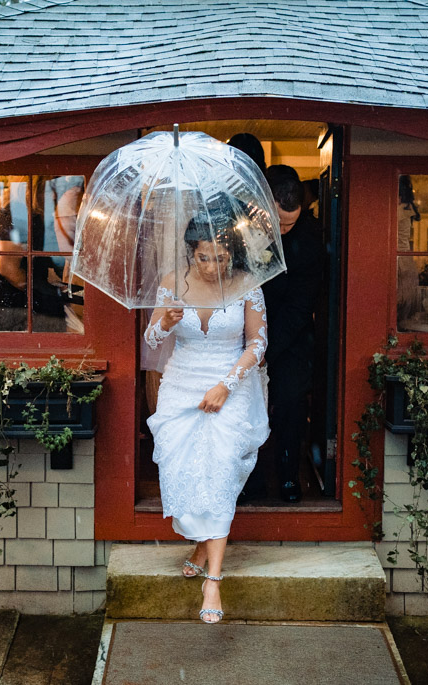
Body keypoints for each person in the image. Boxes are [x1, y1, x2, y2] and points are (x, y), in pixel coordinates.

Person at [143, 206, 270, 624]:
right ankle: (201, 546)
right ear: (190, 253)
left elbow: (256, 345)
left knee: (218, 470)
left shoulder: (247, 285)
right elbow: (152, 338)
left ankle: (213, 579)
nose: (214, 266)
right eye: (204, 257)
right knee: (183, 471)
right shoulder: (170, 284)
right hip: (180, 385)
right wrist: (165, 320)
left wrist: (225, 386)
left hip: (228, 384)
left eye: (221, 257)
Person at [258, 165, 323, 503]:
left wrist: (267, 349)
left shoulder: (310, 237)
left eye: (291, 223)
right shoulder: (246, 229)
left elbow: (301, 305)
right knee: (247, 408)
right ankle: (250, 479)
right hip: (246, 327)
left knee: (289, 405)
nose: (284, 229)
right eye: (279, 222)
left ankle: (288, 474)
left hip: (292, 335)